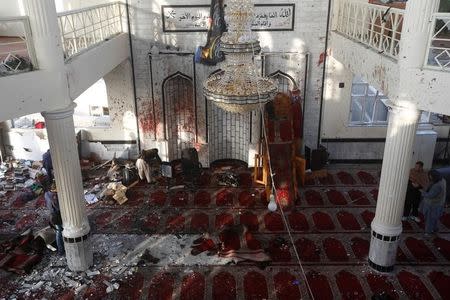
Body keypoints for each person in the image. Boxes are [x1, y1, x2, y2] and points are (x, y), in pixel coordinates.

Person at [421, 170, 446, 236]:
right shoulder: (443, 180)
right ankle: (435, 228)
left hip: (432, 205)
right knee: (434, 218)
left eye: (430, 176)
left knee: (429, 219)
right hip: (439, 203)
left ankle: (428, 232)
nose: (429, 177)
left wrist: (422, 192)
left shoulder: (437, 186)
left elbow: (430, 195)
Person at [44, 182, 64, 255]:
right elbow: (57, 207)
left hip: (53, 216)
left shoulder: (47, 194)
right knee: (60, 232)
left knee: (58, 232)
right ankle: (61, 250)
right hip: (57, 216)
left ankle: (60, 250)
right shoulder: (54, 196)